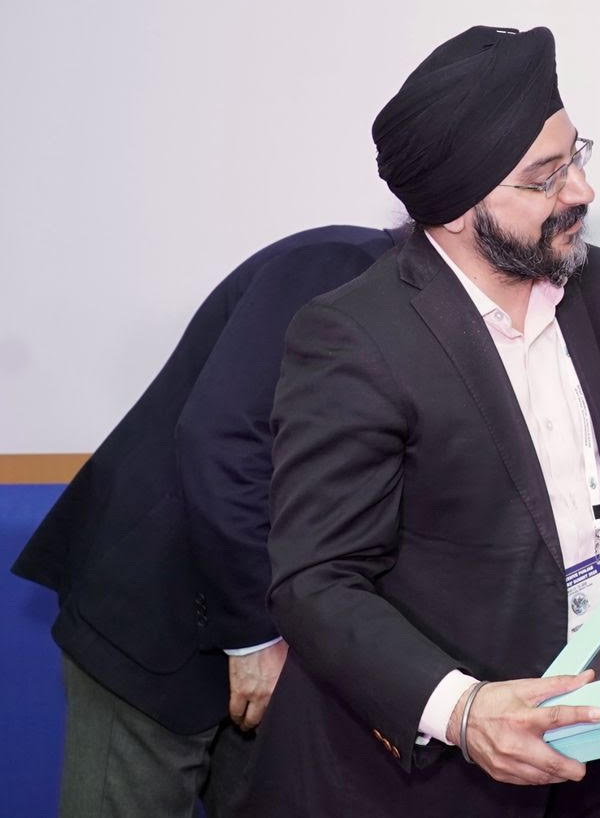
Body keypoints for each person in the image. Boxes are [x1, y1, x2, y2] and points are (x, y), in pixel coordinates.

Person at [248, 25, 600, 817]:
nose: (581, 191)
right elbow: (318, 580)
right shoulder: (357, 337)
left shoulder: (593, 284)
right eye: (545, 178)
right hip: (439, 779)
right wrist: (463, 709)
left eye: (575, 157)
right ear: (456, 210)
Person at [11, 224, 404, 817]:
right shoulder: (339, 265)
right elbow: (223, 442)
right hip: (163, 613)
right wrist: (255, 638)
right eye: (536, 183)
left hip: (293, 642)